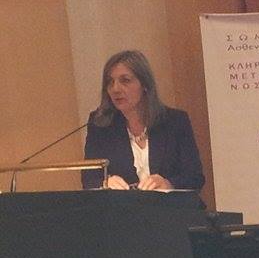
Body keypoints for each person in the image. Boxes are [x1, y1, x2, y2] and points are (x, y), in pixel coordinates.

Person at [81, 50, 205, 191]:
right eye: (110, 82)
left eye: (125, 80)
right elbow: (89, 179)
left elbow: (194, 177)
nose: (115, 89)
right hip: (122, 205)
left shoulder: (175, 121)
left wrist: (168, 184)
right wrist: (105, 183)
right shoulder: (100, 125)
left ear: (145, 84)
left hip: (170, 204)